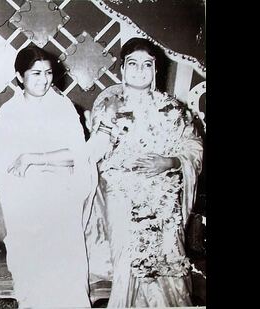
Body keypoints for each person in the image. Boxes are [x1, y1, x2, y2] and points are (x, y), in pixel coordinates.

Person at [0, 45, 111, 308]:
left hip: (61, 201)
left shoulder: (63, 106)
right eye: (35, 73)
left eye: (48, 73)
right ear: (20, 76)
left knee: (65, 273)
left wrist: (34, 158)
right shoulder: (9, 114)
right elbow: (5, 165)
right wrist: (45, 163)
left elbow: (78, 155)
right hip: (26, 205)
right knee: (33, 274)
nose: (44, 80)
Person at [84, 37, 203, 307]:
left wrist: (170, 162)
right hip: (122, 197)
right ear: (123, 70)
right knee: (127, 263)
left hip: (163, 197)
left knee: (166, 265)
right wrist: (103, 130)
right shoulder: (109, 108)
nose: (140, 70)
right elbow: (94, 154)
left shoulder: (173, 110)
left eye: (147, 64)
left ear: (155, 70)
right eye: (133, 64)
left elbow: (194, 148)